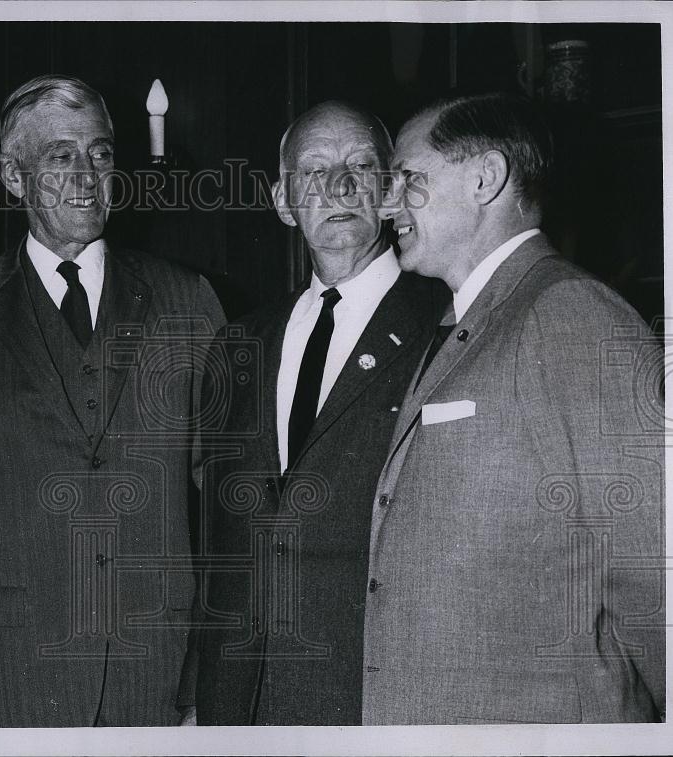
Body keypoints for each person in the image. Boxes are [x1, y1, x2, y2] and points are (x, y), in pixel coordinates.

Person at [0, 75, 226, 727]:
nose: (87, 175)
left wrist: (204, 681)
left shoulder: (187, 300)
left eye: (101, 153)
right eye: (60, 156)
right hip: (5, 680)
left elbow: (228, 502)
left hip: (157, 680)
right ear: (13, 176)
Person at [368, 92, 665, 723]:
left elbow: (657, 579)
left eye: (409, 179)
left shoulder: (570, 316)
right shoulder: (462, 321)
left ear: (485, 178)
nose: (387, 202)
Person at [193, 101, 447, 724]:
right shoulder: (239, 344)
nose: (339, 186)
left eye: (361, 165)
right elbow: (219, 545)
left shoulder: (444, 326)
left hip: (373, 694)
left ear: (389, 192)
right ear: (283, 201)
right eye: (315, 171)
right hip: (246, 701)